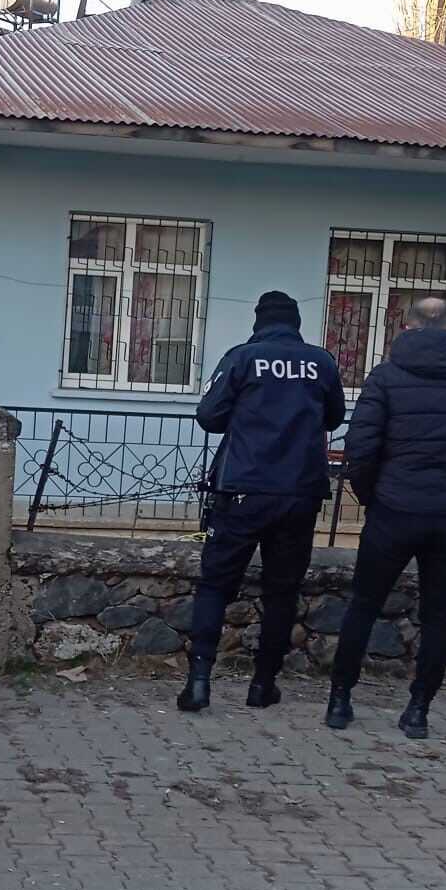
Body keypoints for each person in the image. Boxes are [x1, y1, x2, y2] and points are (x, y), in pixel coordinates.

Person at [329, 298, 446, 739]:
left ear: (409, 328)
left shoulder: (385, 378)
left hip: (392, 511)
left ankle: (340, 700)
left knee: (363, 604)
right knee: (437, 614)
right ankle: (418, 709)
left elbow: (360, 448)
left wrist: (373, 497)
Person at [178, 291, 346, 713]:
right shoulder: (321, 361)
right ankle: (262, 685)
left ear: (258, 322)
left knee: (215, 584)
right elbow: (335, 417)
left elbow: (209, 416)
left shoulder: (242, 357)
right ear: (295, 323)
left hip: (243, 490)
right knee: (282, 592)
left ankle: (199, 683)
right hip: (300, 492)